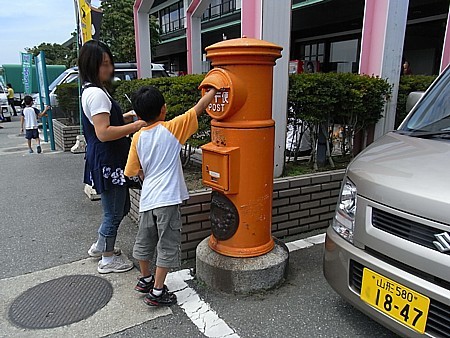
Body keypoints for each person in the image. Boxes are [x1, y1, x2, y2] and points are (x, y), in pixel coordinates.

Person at [124, 85, 218, 306]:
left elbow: (132, 171)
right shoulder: (172, 128)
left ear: (138, 116)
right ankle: (157, 292)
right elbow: (198, 108)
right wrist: (215, 89)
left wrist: (147, 177)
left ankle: (145, 278)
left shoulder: (137, 137)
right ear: (163, 109)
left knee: (144, 241)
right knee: (166, 244)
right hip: (167, 200)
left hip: (147, 200)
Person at [78, 40, 147, 274]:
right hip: (109, 160)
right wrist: (136, 125)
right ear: (91, 65)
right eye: (104, 64)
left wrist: (125, 117)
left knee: (121, 206)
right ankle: (107, 260)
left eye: (109, 63)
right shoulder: (96, 94)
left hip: (108, 158)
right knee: (114, 212)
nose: (109, 69)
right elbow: (104, 132)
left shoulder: (92, 90)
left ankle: (101, 245)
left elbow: (106, 123)